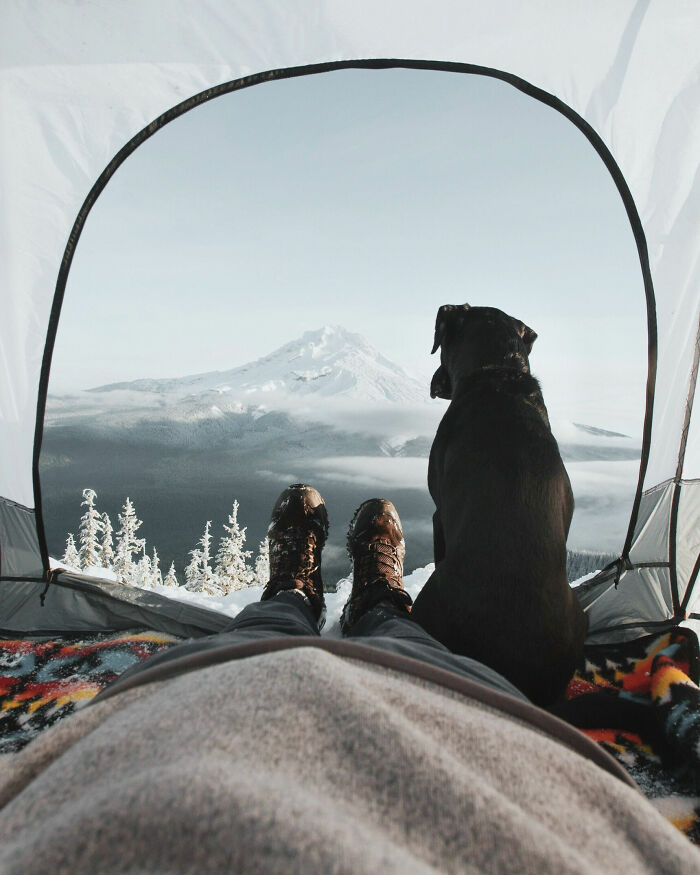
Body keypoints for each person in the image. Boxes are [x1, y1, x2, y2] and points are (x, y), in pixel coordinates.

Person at [0, 486, 698, 873]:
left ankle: (291, 599)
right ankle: (377, 607)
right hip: (517, 765)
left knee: (256, 637)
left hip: (163, 734)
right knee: (415, 649)